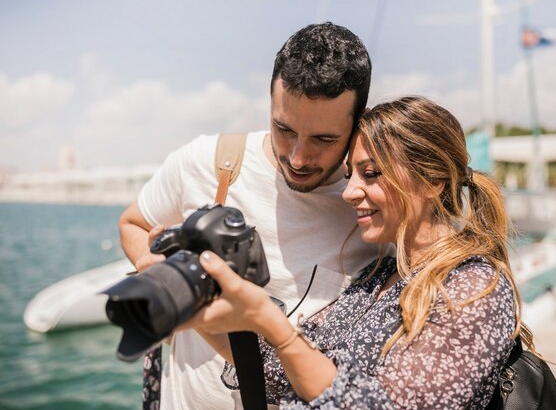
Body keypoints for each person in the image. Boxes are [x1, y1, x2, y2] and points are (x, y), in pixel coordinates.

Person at [183, 95, 537, 409]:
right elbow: (286, 371)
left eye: (370, 174)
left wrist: (274, 325)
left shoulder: (473, 288)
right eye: (352, 174)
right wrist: (197, 311)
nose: (350, 191)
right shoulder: (379, 275)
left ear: (432, 181)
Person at [118, 22, 383, 410]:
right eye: (283, 129)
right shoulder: (206, 161)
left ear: (358, 122)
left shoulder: (373, 211)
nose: (298, 157)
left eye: (324, 140)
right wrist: (148, 263)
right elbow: (134, 222)